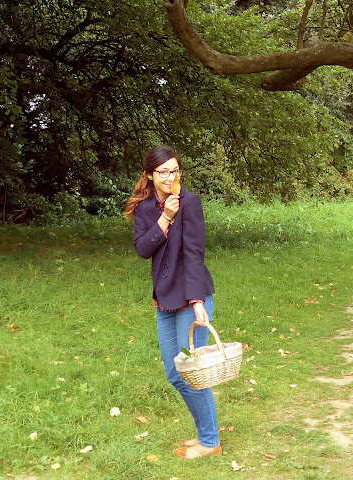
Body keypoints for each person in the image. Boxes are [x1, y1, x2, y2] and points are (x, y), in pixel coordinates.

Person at [124, 146, 221, 459]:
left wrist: (197, 301)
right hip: (164, 299)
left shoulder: (190, 202)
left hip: (191, 296)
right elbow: (142, 249)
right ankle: (205, 434)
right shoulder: (144, 207)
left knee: (193, 372)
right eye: (162, 171)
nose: (169, 177)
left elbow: (194, 253)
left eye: (174, 170)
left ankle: (210, 441)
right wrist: (165, 217)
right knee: (175, 373)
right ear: (150, 175)